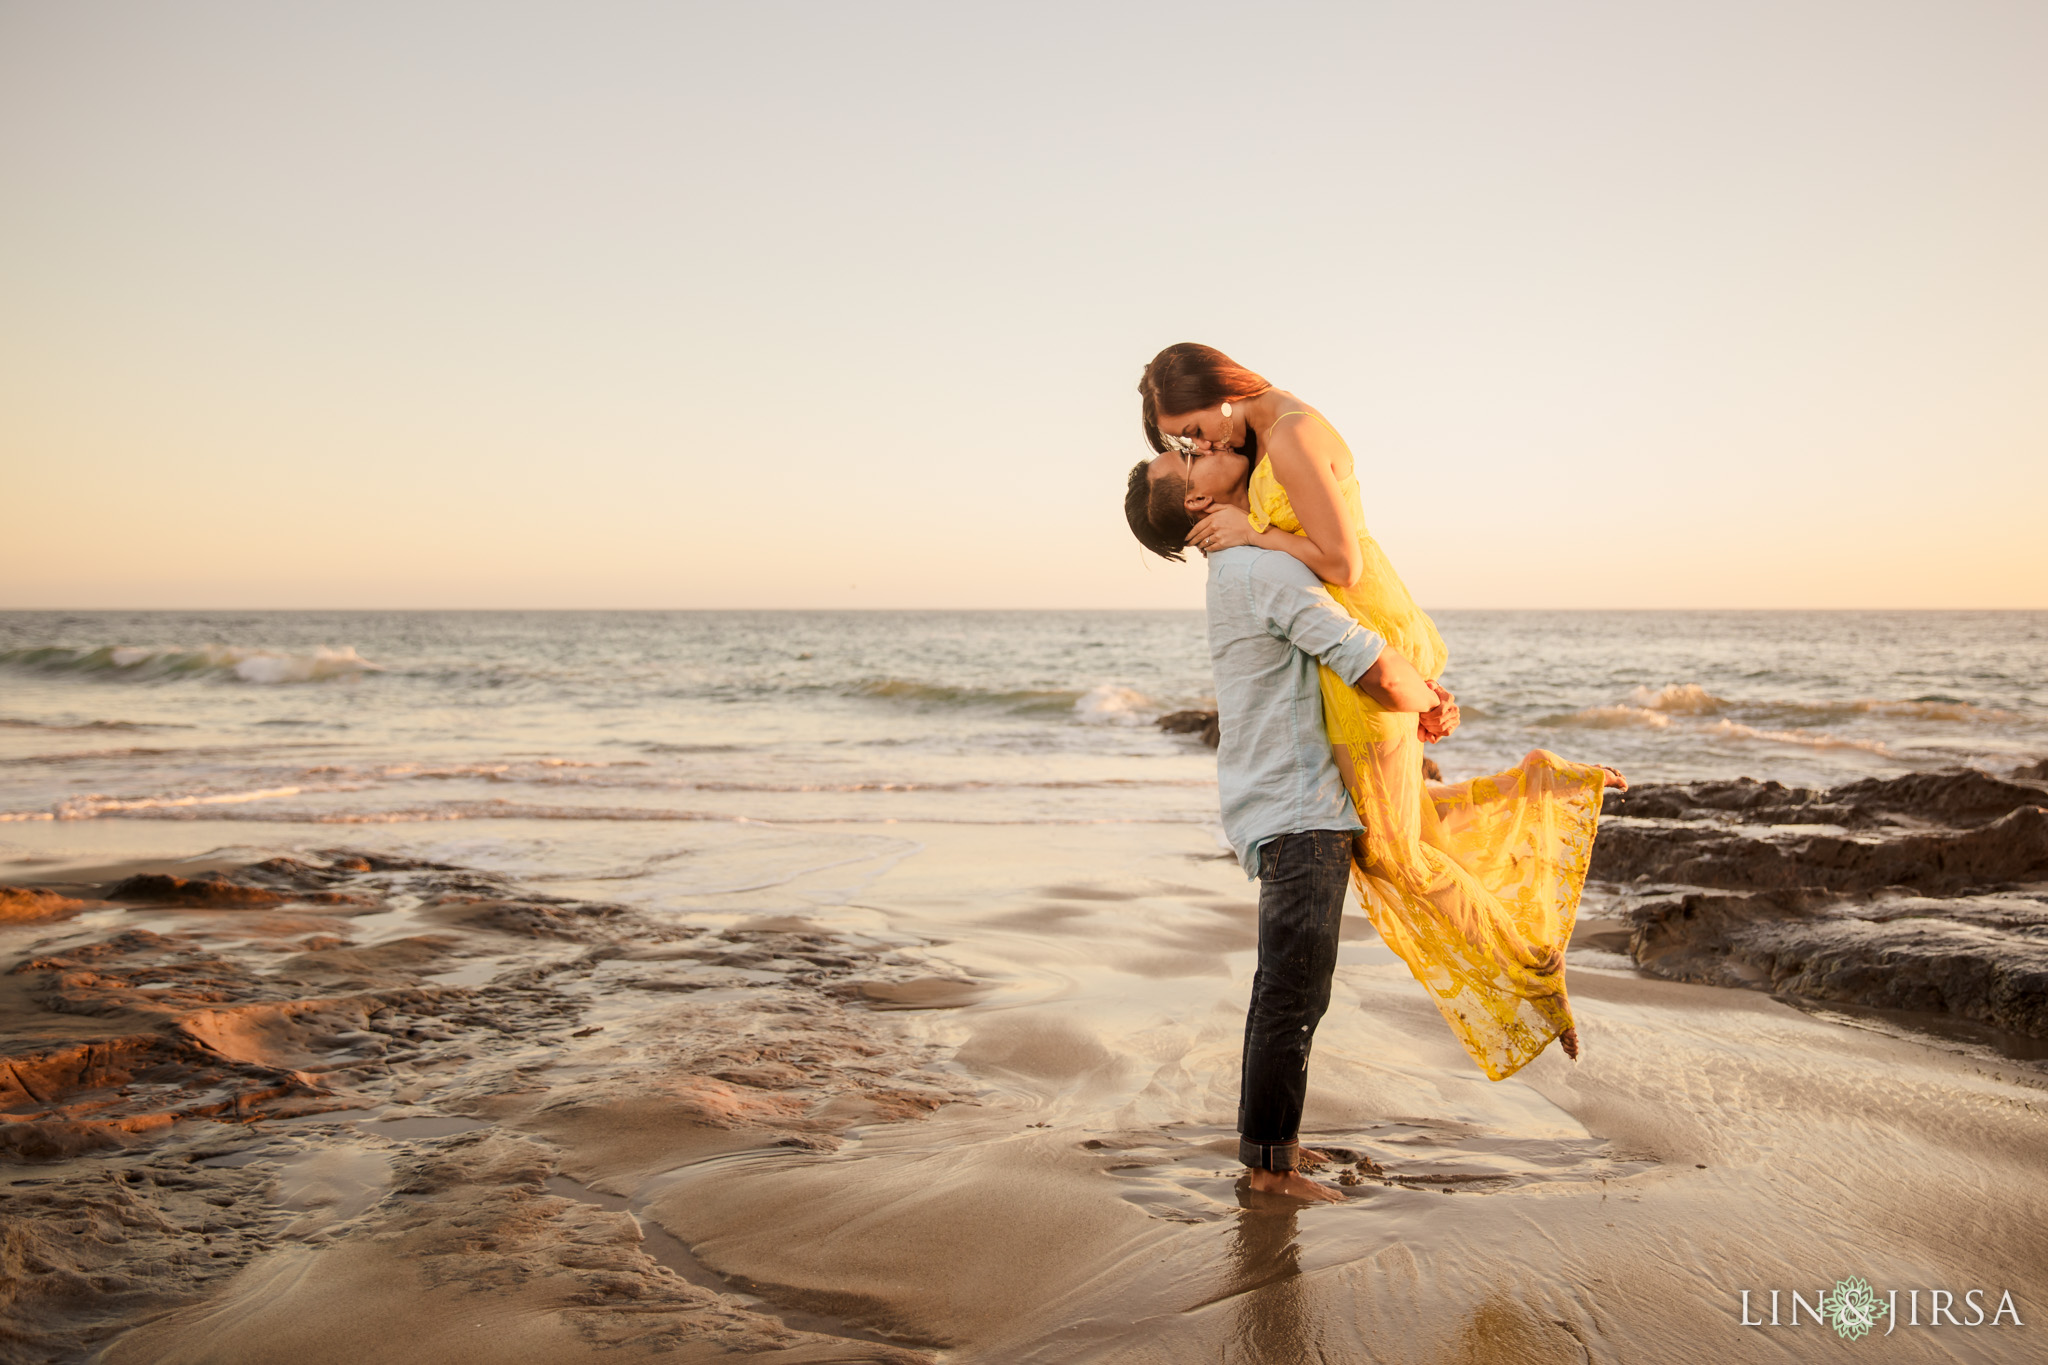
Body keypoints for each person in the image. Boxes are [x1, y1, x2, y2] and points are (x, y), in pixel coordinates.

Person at [1125, 342, 1626, 1087]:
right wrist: (1408, 680)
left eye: (1192, 433)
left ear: (1222, 393)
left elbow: (1344, 564)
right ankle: (1539, 794)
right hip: (1360, 650)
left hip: (1363, 643)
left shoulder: (1284, 439)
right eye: (1185, 447)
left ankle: (1531, 957)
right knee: (1404, 833)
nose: (1197, 446)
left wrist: (1399, 677)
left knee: (1399, 855)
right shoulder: (1262, 444)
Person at [1185, 447, 1448, 1202]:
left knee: (1292, 987)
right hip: (1300, 810)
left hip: (1284, 801)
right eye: (1187, 464)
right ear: (1196, 510)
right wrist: (1425, 698)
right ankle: (1270, 1170)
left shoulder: (1240, 568)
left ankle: (1272, 1147)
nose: (1199, 457)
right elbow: (1359, 655)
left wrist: (1421, 694)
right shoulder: (1256, 571)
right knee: (1293, 990)